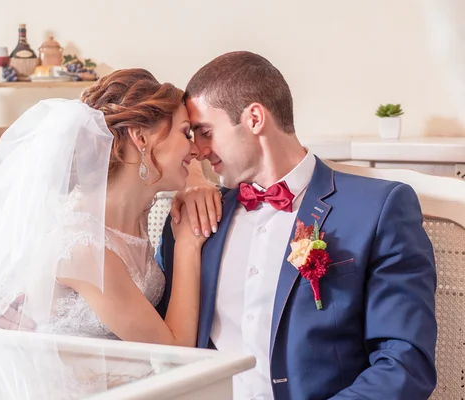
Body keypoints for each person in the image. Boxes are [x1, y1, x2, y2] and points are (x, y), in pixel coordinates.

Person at [156, 51, 438, 399]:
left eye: (205, 132)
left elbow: (405, 364)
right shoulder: (195, 219)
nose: (197, 150)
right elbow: (158, 350)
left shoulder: (378, 209)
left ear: (254, 118)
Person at [0, 68, 210, 347]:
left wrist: (197, 181)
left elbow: (189, 162)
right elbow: (176, 350)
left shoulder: (134, 211)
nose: (196, 150)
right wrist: (188, 245)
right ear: (141, 138)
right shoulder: (85, 248)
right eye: (187, 134)